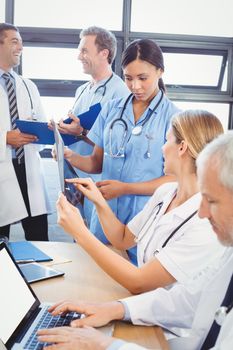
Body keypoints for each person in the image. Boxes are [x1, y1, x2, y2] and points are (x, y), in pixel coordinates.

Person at [37, 132, 233, 350]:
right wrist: (115, 308)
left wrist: (106, 345)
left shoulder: (206, 231)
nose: (203, 212)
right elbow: (188, 300)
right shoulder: (227, 256)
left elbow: (140, 281)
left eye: (212, 201)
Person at [56, 110, 225, 294]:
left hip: (168, 319)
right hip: (147, 305)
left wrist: (80, 233)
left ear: (182, 147)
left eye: (167, 140)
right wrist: (98, 200)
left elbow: (139, 282)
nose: (162, 148)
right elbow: (122, 239)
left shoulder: (206, 223)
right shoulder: (166, 193)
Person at [62, 38, 179, 263]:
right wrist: (69, 156)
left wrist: (125, 188)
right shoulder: (112, 109)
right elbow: (97, 163)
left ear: (160, 71)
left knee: (134, 284)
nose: (135, 86)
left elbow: (174, 179)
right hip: (105, 213)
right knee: (96, 276)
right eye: (128, 78)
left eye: (143, 78)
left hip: (144, 219)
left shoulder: (173, 117)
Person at [56, 26, 129, 226]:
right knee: (77, 234)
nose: (79, 56)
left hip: (97, 178)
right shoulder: (82, 89)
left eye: (84, 51)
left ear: (104, 53)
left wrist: (81, 132)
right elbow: (77, 126)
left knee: (96, 237)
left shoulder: (120, 92)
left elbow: (116, 144)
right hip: (74, 174)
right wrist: (60, 129)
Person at [0, 23, 50, 241]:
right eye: (14, 41)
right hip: (2, 168)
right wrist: (4, 137)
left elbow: (41, 122)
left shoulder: (28, 86)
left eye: (21, 42)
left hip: (28, 168)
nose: (21, 47)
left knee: (39, 237)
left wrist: (44, 131)